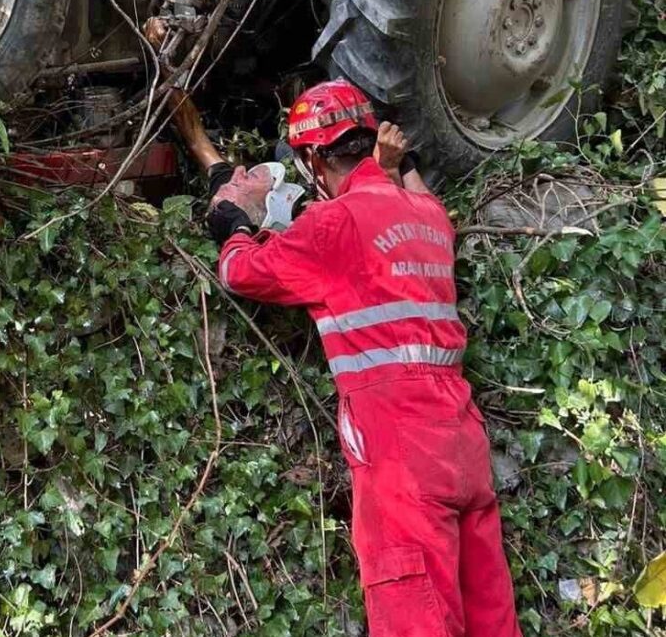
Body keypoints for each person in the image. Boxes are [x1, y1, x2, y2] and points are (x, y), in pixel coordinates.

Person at [196, 80, 523, 636]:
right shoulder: (429, 218)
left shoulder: (333, 224)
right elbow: (410, 209)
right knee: (491, 618)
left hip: (400, 450)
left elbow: (240, 272)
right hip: (462, 440)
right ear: (371, 141)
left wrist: (234, 222)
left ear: (312, 158)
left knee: (413, 612)